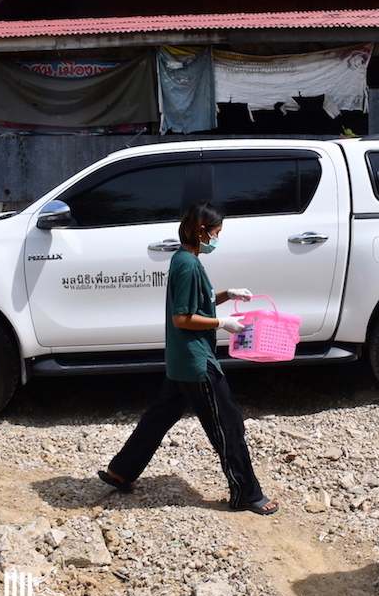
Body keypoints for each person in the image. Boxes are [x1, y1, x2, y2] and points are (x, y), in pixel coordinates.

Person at [99, 200, 279, 515]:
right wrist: (222, 323)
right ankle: (246, 494)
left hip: (181, 360)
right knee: (228, 426)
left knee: (158, 418)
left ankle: (120, 471)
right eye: (216, 233)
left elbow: (200, 301)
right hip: (196, 361)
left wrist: (228, 295)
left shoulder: (184, 259)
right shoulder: (188, 265)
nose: (217, 239)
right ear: (201, 231)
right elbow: (182, 318)